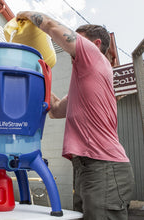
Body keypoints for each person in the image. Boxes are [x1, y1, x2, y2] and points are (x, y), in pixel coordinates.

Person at [16, 11, 135, 219]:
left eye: (78, 37)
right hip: (86, 167)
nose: (73, 43)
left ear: (96, 44)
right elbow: (55, 111)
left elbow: (51, 25)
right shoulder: (85, 82)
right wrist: (40, 76)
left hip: (104, 166)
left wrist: (25, 14)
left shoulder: (95, 56)